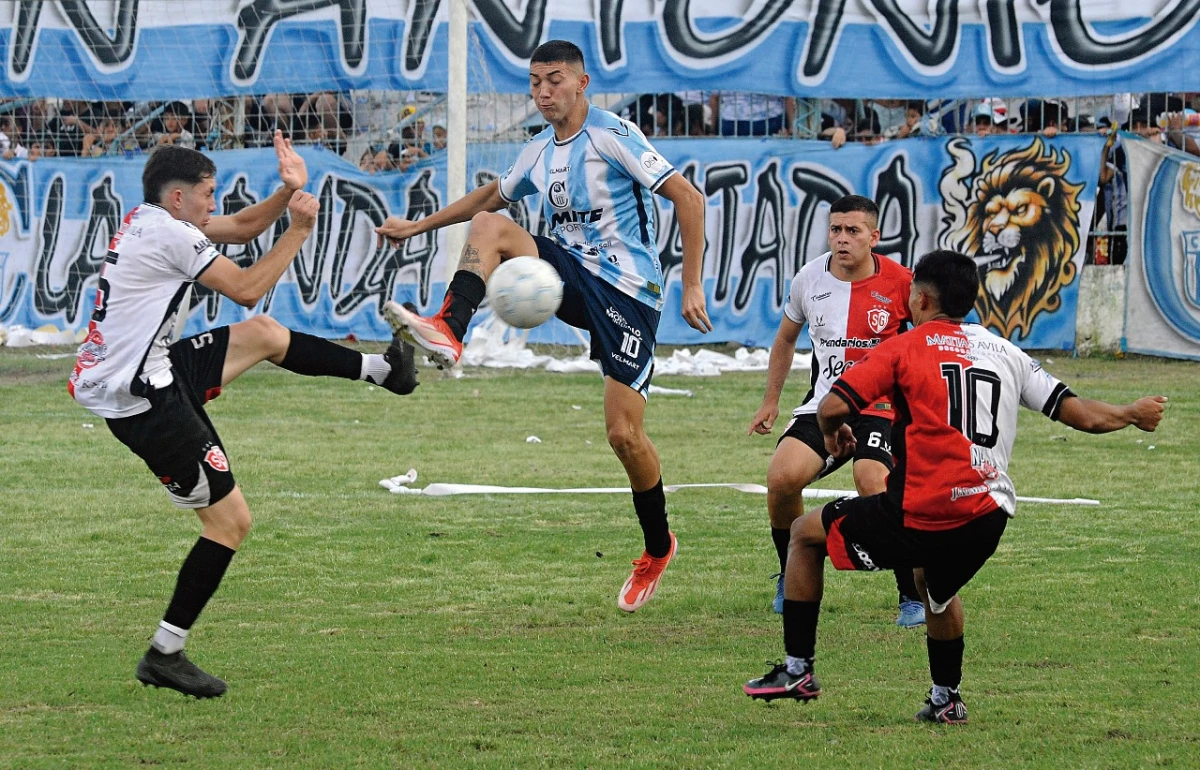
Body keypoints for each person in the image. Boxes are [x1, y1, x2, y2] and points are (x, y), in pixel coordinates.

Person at [742, 250, 1166, 723]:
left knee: (804, 533)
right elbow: (1080, 413)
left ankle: (799, 669)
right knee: (936, 588)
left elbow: (832, 404)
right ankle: (947, 699)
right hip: (987, 517)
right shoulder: (1006, 352)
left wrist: (831, 433)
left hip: (923, 512)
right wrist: (1131, 413)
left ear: (921, 299)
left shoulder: (904, 347)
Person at [67, 133, 419, 699]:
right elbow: (250, 288)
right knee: (230, 524)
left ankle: (385, 372)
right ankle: (166, 652)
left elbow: (244, 229)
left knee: (263, 337)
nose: (215, 203)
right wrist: (301, 230)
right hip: (141, 397)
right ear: (179, 198)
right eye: (208, 194)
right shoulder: (171, 233)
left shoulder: (152, 219)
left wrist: (287, 192)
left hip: (144, 369)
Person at [376, 39, 711, 612]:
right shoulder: (537, 151)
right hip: (573, 277)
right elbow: (492, 195)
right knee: (491, 223)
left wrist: (693, 283)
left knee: (624, 436)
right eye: (534, 82)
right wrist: (418, 227)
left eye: (554, 80)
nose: (542, 92)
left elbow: (689, 197)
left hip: (629, 296)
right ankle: (450, 330)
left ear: (582, 82)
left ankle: (658, 547)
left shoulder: (614, 135)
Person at [748, 195, 924, 627]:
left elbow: (929, 341)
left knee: (872, 480)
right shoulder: (809, 278)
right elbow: (786, 339)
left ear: (874, 237)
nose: (842, 239)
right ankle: (792, 576)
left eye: (853, 231)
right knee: (781, 479)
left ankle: (910, 593)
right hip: (825, 406)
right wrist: (771, 399)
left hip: (882, 408)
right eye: (835, 230)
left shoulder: (903, 283)